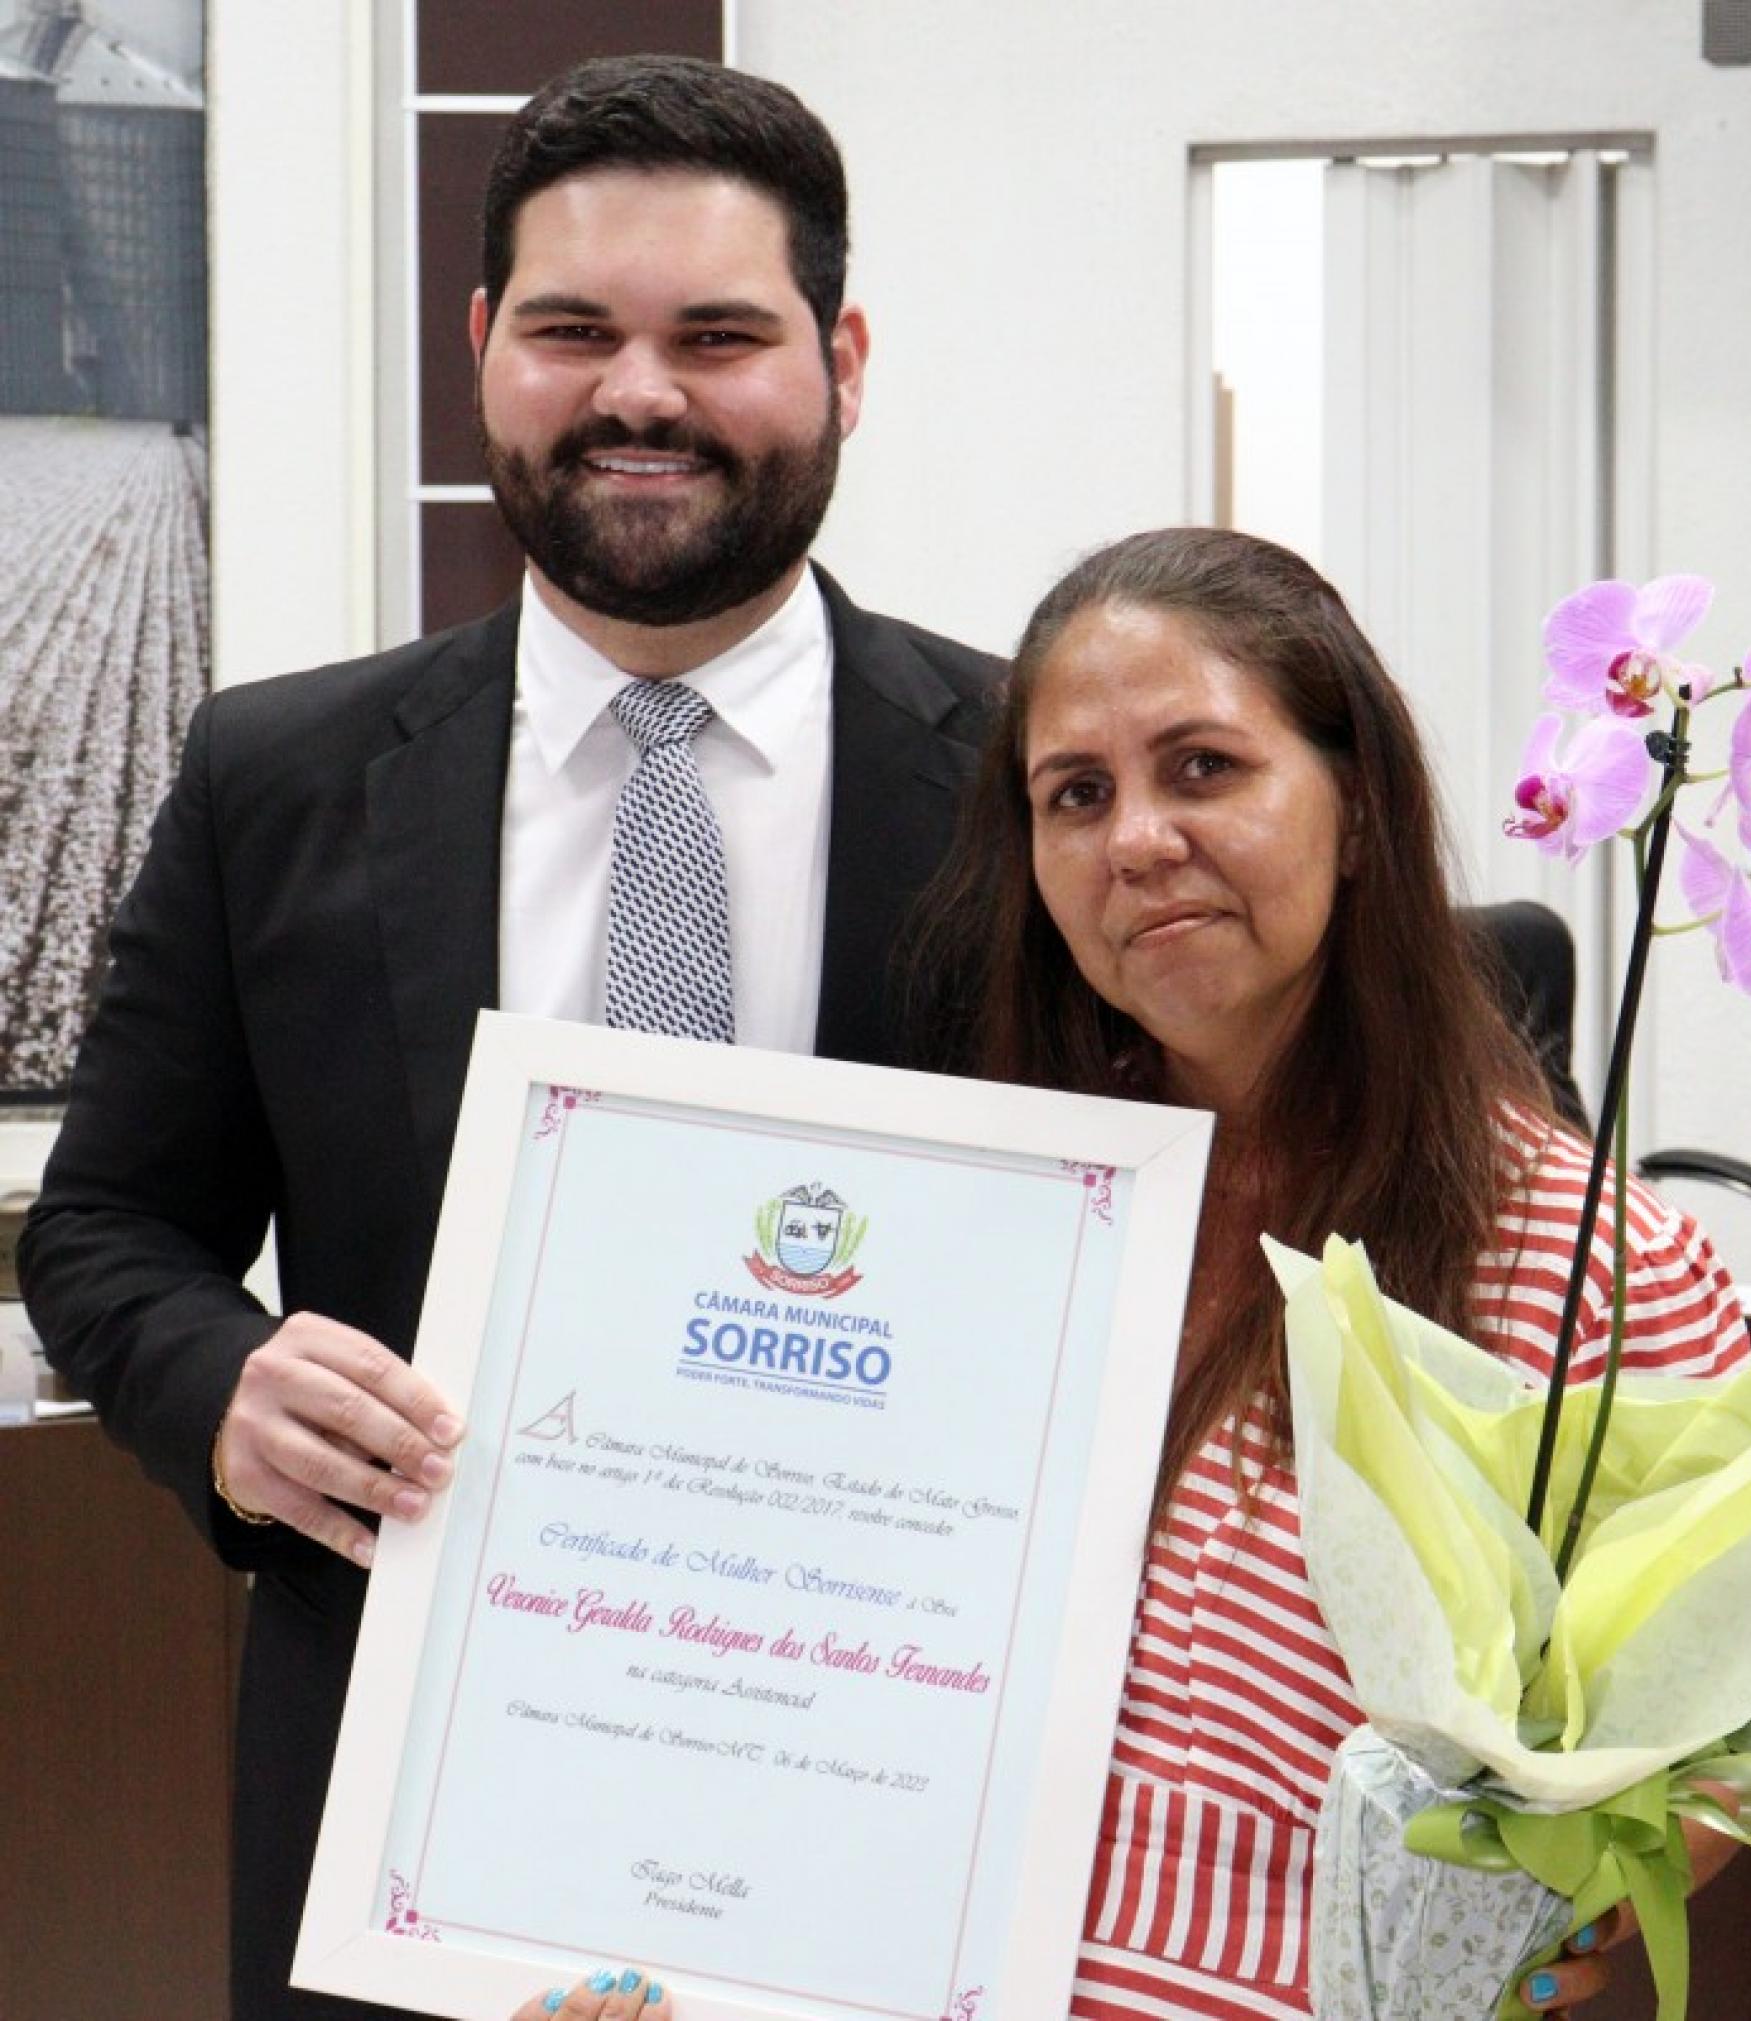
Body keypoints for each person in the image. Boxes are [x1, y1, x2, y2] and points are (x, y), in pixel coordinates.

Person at [19, 54, 996, 2021]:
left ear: (843, 360)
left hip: (905, 1816)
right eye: (573, 331)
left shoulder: (1024, 786)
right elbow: (105, 1230)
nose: (641, 395)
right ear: (482, 349)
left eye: (716, 336)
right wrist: (224, 1387)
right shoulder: (277, 777)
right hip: (404, 1809)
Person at [499, 532, 1749, 2021]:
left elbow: (1705, 1767)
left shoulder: (1589, 1266)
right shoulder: (983, 1227)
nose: (1138, 840)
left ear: (1357, 807)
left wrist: (1548, 1909)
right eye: (1076, 795)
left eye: (1204, 767)